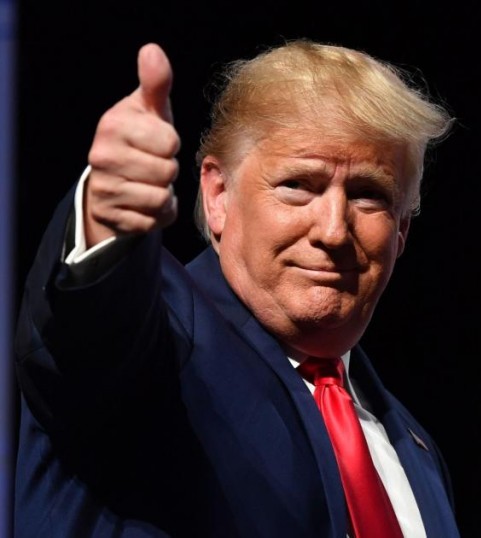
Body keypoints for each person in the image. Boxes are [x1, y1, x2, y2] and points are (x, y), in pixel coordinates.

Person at [13, 40, 458, 537]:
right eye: (297, 185)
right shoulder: (160, 339)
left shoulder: (415, 451)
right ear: (218, 195)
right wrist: (105, 221)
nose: (333, 230)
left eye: (368, 195)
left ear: (401, 231)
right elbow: (83, 337)